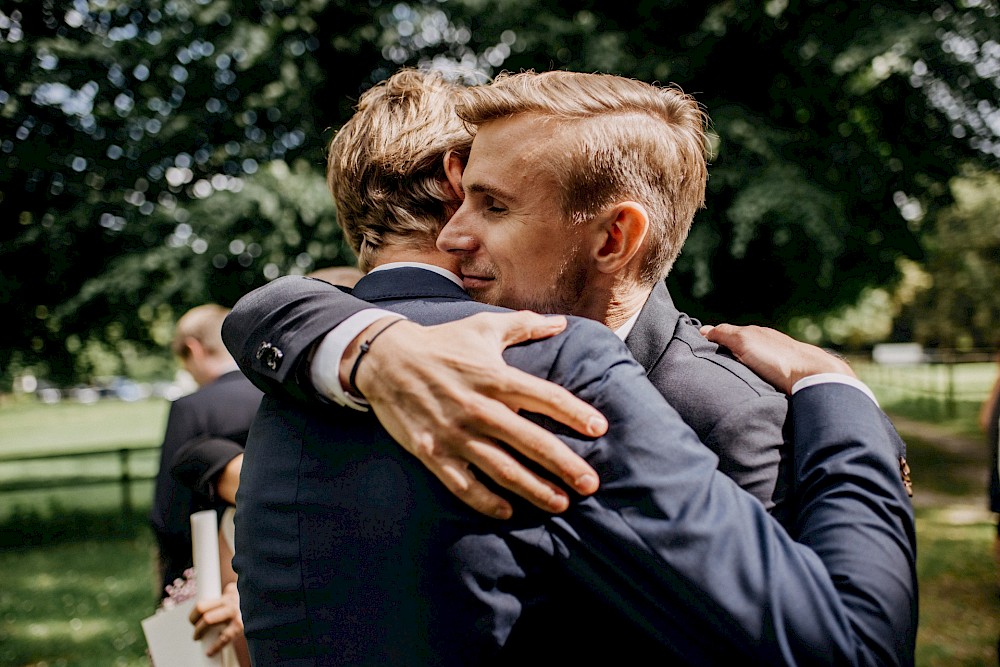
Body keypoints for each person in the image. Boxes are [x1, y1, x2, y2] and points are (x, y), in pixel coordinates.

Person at [227, 68, 916, 665]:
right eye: (460, 198)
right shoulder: (341, 354)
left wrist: (837, 398)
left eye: (491, 204)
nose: (454, 235)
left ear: (615, 237)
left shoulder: (738, 411)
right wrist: (375, 345)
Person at [149, 304, 263, 599]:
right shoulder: (273, 394)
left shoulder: (190, 408)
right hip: (272, 555)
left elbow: (169, 512)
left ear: (194, 349)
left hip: (208, 568)